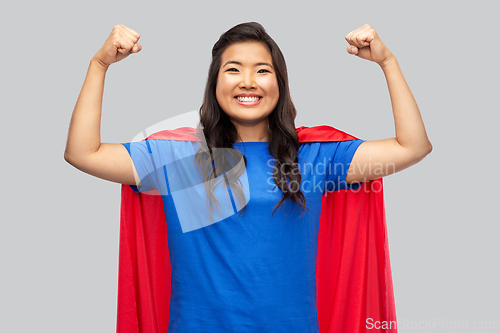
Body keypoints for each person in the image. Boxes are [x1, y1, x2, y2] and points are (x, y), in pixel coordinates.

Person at [64, 22, 432, 333]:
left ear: (280, 83)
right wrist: (99, 65)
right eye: (234, 69)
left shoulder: (316, 158)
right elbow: (83, 153)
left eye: (262, 69)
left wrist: (388, 62)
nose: (248, 81)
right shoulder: (178, 158)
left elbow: (411, 147)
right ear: (215, 83)